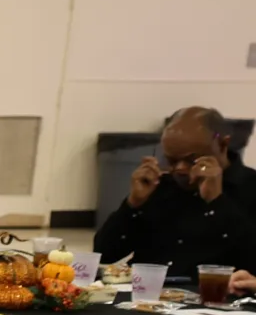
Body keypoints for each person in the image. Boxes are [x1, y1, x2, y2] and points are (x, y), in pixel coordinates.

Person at [92, 105, 256, 278]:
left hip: (211, 291)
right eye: (171, 161)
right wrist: (133, 205)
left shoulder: (250, 188)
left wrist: (217, 203)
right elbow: (104, 254)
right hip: (145, 287)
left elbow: (251, 262)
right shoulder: (161, 185)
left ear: (222, 145)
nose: (180, 169)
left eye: (192, 160)